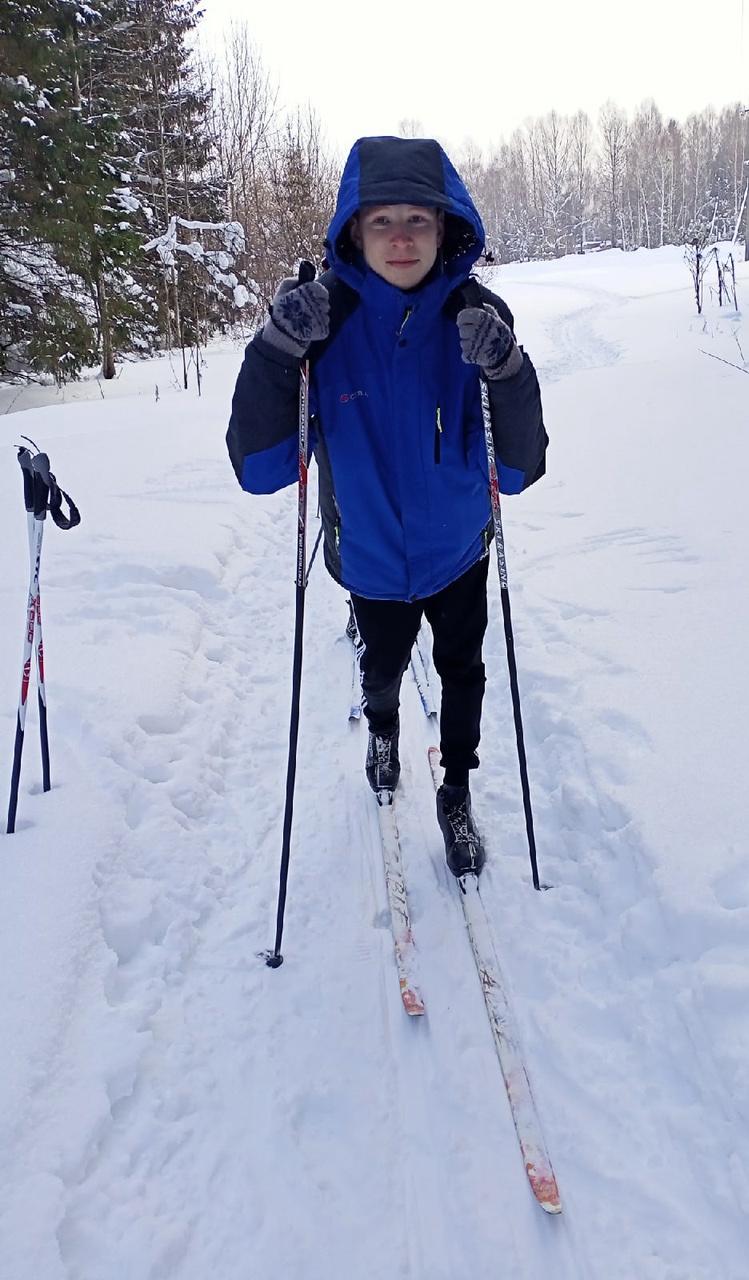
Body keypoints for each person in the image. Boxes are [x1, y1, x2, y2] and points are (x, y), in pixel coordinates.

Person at [226, 135, 547, 877]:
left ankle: (457, 788)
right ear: (351, 232)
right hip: (369, 557)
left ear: (447, 230)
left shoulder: (476, 315)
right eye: (381, 221)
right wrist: (275, 352)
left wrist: (508, 368)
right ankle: (383, 727)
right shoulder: (320, 325)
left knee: (463, 669)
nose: (401, 237)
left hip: (461, 549)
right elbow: (261, 467)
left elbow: (523, 465)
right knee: (384, 665)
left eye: (419, 220)